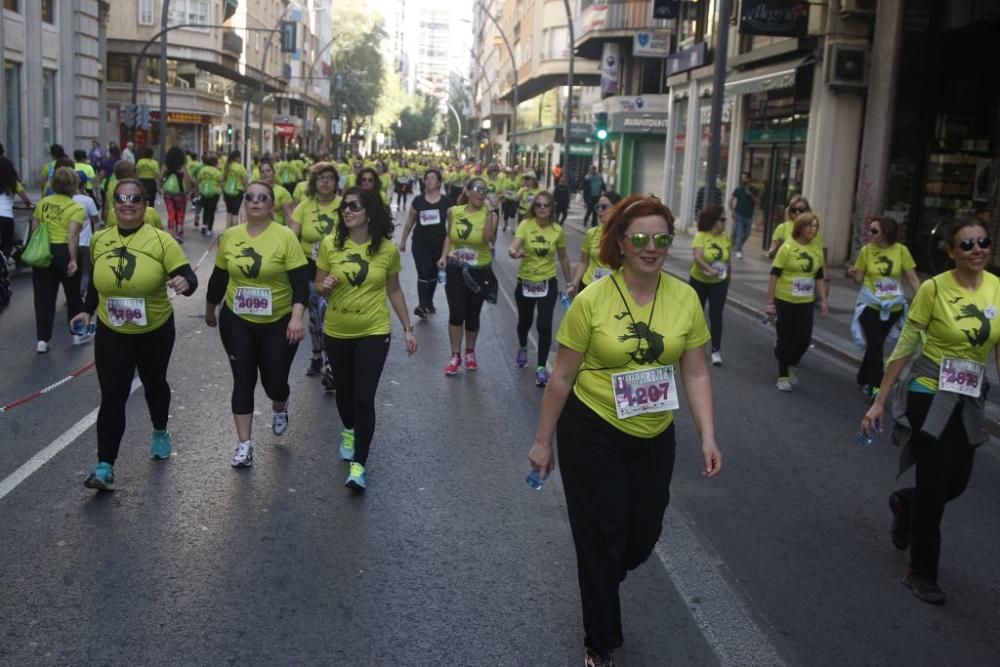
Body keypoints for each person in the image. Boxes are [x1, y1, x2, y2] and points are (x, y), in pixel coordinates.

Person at [527, 194, 722, 667]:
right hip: (592, 430)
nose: (650, 247)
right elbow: (562, 377)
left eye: (660, 238)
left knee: (640, 536)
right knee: (601, 534)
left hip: (655, 434)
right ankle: (600, 642)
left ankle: (601, 579)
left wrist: (707, 435)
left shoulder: (686, 298)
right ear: (621, 242)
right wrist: (542, 440)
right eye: (639, 237)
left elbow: (695, 372)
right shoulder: (593, 299)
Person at [861, 218, 999, 606]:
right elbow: (907, 341)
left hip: (969, 396)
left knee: (956, 482)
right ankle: (921, 572)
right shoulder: (933, 289)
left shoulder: (998, 289)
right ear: (952, 252)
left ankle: (906, 502)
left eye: (983, 242)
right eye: (967, 245)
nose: (977, 250)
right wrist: (880, 398)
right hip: (928, 391)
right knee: (936, 484)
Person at [70, 178, 198, 491]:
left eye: (136, 199)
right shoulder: (100, 240)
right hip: (113, 331)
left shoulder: (161, 241)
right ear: (113, 204)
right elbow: (97, 286)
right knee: (113, 394)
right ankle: (105, 466)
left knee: (154, 384)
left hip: (154, 329)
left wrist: (184, 284)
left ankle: (159, 430)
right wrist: (86, 310)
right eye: (122, 199)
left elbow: (189, 277)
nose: (128, 204)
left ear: (145, 204)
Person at [314, 187, 418, 491]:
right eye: (344, 206)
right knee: (344, 393)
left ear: (369, 212)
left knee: (363, 397)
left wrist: (408, 328)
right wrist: (325, 285)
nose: (346, 211)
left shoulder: (385, 249)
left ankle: (359, 464)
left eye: (354, 206)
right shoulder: (329, 245)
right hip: (337, 330)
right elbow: (318, 284)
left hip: (374, 330)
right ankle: (348, 429)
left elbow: (394, 290)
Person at [205, 181, 308, 468]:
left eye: (262, 198)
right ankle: (244, 445)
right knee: (243, 379)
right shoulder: (231, 236)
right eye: (249, 197)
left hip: (278, 321)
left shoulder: (285, 236)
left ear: (272, 204)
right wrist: (210, 309)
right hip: (238, 320)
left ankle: (280, 402)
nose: (255, 202)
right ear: (244, 203)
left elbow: (301, 283)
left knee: (275, 382)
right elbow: (219, 277)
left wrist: (297, 317)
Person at [848, 216, 921, 398]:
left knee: (876, 345)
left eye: (874, 231)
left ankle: (862, 377)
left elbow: (912, 278)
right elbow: (859, 279)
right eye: (869, 230)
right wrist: (852, 272)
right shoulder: (866, 251)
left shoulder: (901, 251)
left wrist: (922, 301)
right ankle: (876, 388)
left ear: (886, 232)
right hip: (870, 304)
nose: (869, 234)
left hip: (893, 307)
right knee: (876, 345)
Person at [508, 190, 574, 386]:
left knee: (544, 324)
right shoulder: (525, 225)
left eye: (546, 205)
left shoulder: (557, 230)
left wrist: (570, 281)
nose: (542, 208)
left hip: (547, 282)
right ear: (533, 207)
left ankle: (540, 367)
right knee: (524, 322)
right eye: (538, 205)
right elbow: (514, 246)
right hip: (526, 281)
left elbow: (563, 256)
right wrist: (514, 252)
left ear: (552, 207)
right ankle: (522, 346)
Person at [436, 177, 497, 375]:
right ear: (468, 190)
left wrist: (489, 212)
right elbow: (449, 236)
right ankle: (455, 355)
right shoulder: (453, 212)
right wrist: (443, 257)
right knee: (456, 311)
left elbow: (488, 238)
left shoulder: (490, 215)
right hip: (455, 267)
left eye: (485, 190)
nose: (481, 193)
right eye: (478, 189)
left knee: (472, 314)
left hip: (479, 271)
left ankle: (470, 351)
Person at [766, 212, 829, 390]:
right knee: (786, 338)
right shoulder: (787, 248)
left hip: (806, 300)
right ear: (800, 227)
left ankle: (791, 363)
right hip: (785, 298)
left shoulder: (816, 249)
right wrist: (770, 302)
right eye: (809, 225)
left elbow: (818, 276)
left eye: (815, 226)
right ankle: (783, 375)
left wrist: (823, 300)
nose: (813, 229)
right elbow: (774, 275)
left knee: (803, 339)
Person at [292, 162, 341, 387]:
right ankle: (316, 355)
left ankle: (331, 365)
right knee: (314, 315)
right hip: (310, 267)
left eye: (330, 178)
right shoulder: (304, 206)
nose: (325, 182)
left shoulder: (343, 206)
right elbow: (292, 237)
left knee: (328, 313)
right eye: (321, 178)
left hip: (336, 268)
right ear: (314, 182)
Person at [30, 167, 88, 352]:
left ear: (54, 184)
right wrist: (73, 260)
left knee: (44, 298)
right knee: (73, 296)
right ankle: (78, 335)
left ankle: (42, 340)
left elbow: (35, 229)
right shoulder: (76, 208)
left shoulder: (43, 203)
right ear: (74, 185)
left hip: (44, 250)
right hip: (65, 251)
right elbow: (72, 235)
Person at [398, 168, 450, 319]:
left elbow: (453, 228)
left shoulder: (446, 202)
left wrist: (449, 250)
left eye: (433, 178)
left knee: (433, 274)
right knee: (423, 271)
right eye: (427, 178)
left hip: (439, 244)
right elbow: (409, 222)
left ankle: (428, 302)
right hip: (420, 243)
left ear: (439, 182)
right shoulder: (418, 200)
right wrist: (402, 241)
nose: (429, 180)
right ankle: (421, 305)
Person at [689, 205, 732, 367]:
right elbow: (697, 258)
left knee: (716, 315)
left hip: (718, 283)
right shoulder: (701, 236)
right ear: (714, 221)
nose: (724, 223)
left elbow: (728, 261)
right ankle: (692, 345)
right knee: (696, 315)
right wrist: (710, 270)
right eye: (722, 219)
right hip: (699, 280)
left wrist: (728, 278)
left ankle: (716, 350)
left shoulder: (725, 238)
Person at [569, 191, 620, 294]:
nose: (599, 211)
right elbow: (583, 262)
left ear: (616, 209)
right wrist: (574, 283)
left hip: (613, 289)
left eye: (604, 207)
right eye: (598, 207)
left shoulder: (624, 236)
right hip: (589, 286)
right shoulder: (591, 233)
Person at [159, 146, 193, 244]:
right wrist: (190, 190)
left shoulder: (165, 166)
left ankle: (170, 233)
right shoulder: (183, 166)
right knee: (180, 212)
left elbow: (160, 178)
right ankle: (179, 233)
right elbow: (188, 180)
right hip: (180, 193)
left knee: (171, 213)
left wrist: (160, 186)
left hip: (168, 193)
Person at [767, 195, 815, 260]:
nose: (797, 212)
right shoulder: (782, 228)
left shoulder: (812, 228)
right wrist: (778, 247)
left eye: (801, 210)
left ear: (807, 211)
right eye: (794, 209)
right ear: (789, 210)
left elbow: (820, 258)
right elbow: (771, 255)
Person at [257, 157, 296, 235]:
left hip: (277, 230)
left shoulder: (282, 192)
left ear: (273, 173)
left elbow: (288, 216)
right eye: (262, 172)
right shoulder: (255, 191)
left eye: (268, 171)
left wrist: (290, 235)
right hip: (258, 230)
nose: (265, 173)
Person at [729, 172, 758, 259]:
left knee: (747, 233)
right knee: (739, 233)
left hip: (749, 215)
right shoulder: (739, 189)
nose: (743, 179)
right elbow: (731, 200)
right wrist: (733, 211)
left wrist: (750, 194)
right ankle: (739, 250)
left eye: (745, 178)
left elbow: (757, 202)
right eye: (742, 178)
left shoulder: (754, 189)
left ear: (749, 179)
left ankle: (736, 246)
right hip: (739, 214)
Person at [196, 154, 223, 236]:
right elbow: (220, 182)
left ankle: (204, 225)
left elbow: (198, 180)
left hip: (203, 192)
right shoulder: (217, 172)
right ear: (215, 163)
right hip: (214, 193)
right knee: (211, 211)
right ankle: (209, 229)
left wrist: (198, 190)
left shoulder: (202, 170)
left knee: (205, 209)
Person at [222, 149, 247, 228]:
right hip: (238, 191)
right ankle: (234, 229)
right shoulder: (241, 167)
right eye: (240, 157)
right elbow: (245, 180)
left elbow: (222, 179)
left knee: (229, 211)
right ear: (237, 158)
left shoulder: (227, 166)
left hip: (227, 191)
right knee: (235, 212)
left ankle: (228, 229)